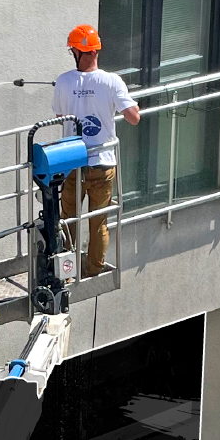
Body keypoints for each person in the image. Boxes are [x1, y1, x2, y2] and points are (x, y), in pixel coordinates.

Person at [51, 24, 140, 279]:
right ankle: (94, 269)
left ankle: (66, 273)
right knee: (98, 222)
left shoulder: (64, 81)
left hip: (72, 162)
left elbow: (60, 115)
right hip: (103, 164)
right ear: (95, 51)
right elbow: (134, 118)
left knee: (68, 222)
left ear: (78, 52)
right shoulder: (111, 81)